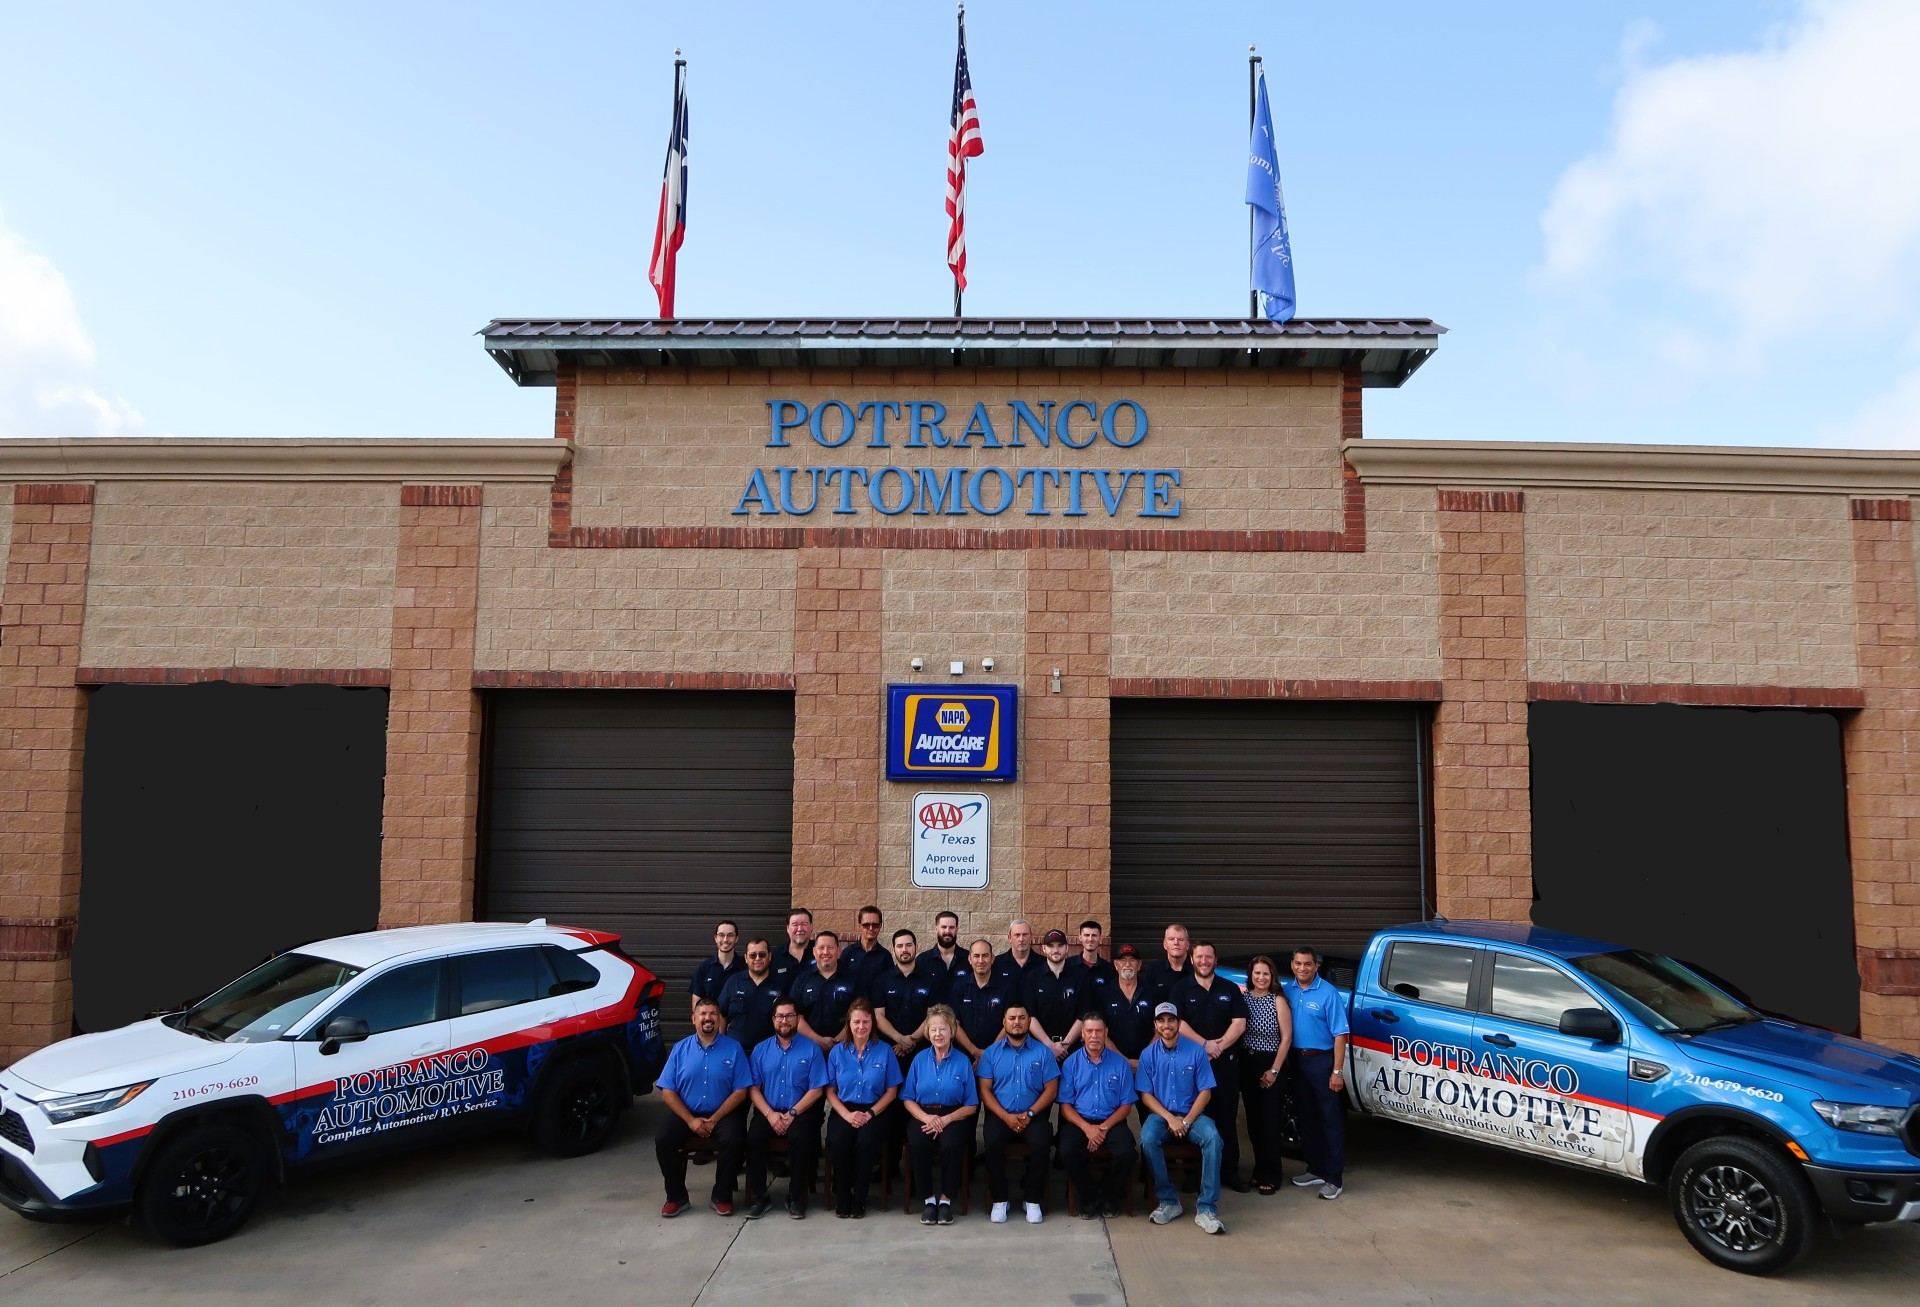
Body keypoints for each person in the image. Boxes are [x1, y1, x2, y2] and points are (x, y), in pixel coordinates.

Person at [654, 997, 753, 1218]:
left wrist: (715, 1119)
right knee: (663, 1140)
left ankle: (722, 1196)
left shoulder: (734, 1049)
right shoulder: (680, 1049)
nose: (708, 1018)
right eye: (703, 1014)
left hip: (723, 1113)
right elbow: (667, 1090)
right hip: (687, 1113)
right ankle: (676, 1197)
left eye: (712, 1014)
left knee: (735, 1140)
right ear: (694, 1019)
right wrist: (690, 1120)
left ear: (719, 1019)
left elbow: (741, 1091)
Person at [1137, 1001, 1226, 1235]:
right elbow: (1146, 1096)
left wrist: (1186, 1121)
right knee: (1147, 1139)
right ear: (1155, 1025)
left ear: (1178, 1023)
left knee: (1213, 1139)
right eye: (1162, 1020)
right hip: (1162, 1115)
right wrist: (1170, 1119)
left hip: (1193, 1114)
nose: (1167, 1025)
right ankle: (1168, 1201)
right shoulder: (1148, 1055)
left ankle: (1206, 1208)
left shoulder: (1196, 1051)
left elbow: (1205, 1092)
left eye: (1171, 1020)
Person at [1174, 942, 1250, 1192]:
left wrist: (1219, 1046)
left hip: (1225, 1064)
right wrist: (1204, 1045)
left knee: (1226, 1118)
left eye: (1209, 956)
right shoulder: (1181, 988)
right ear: (1192, 960)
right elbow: (1177, 1023)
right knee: (1194, 1118)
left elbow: (1239, 1023)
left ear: (1215, 960)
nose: (1204, 961)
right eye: (1199, 957)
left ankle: (1229, 1172)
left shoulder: (1229, 988)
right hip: (1192, 1065)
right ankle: (1192, 1176)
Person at [975, 1002, 1059, 1225]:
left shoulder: (1043, 1052)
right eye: (1012, 1018)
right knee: (991, 1143)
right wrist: (1005, 1116)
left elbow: (1052, 1088)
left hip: (1033, 1115)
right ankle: (1000, 1199)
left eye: (1022, 1018)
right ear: (1004, 1023)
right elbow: (984, 1089)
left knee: (1042, 1143)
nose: (1017, 1022)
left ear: (1029, 1022)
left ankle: (1031, 1199)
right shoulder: (991, 1054)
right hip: (1001, 1116)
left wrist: (1030, 1113)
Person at [744, 997, 828, 1219]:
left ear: (798, 1019)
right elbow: (753, 1087)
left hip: (799, 1112)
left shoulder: (812, 1050)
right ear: (773, 1019)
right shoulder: (760, 1050)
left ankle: (795, 1197)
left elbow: (817, 1089)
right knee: (753, 1139)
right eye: (780, 1016)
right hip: (768, 1111)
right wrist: (771, 1114)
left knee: (801, 1140)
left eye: (790, 1016)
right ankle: (760, 1197)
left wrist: (792, 1114)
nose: (785, 1020)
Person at [824, 998, 902, 1219]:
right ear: (849, 1023)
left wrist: (870, 1113)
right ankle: (843, 1196)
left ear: (872, 1023)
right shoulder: (837, 1053)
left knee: (866, 1142)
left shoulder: (885, 1051)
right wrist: (848, 1115)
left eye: (866, 1022)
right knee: (838, 1140)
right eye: (856, 1022)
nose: (861, 1027)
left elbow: (892, 1091)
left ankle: (859, 1197)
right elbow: (830, 1091)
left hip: (875, 1109)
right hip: (844, 1108)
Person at [1056, 1013, 1138, 1219]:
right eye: (1090, 1031)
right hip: (1080, 1122)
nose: (1094, 1035)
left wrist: (1102, 1129)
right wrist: (1088, 1129)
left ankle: (1110, 1196)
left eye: (1099, 1031)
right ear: (1082, 1034)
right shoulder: (1071, 1064)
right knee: (1066, 1150)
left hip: (1112, 1121)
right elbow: (1065, 1106)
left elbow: (1126, 1106)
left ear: (1106, 1033)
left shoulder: (1120, 1064)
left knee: (1127, 1152)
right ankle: (1090, 1196)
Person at [900, 1004, 977, 1226]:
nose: (937, 1034)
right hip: (923, 1114)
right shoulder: (919, 1060)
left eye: (942, 1029)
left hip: (953, 1115)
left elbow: (971, 1105)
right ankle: (928, 1201)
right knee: (917, 1142)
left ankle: (945, 1200)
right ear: (927, 1032)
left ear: (952, 1031)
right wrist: (926, 1118)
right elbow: (907, 1098)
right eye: (933, 1029)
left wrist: (946, 1119)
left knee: (952, 1145)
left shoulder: (963, 1061)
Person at [1283, 947, 1349, 1200]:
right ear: (1292, 965)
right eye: (1298, 963)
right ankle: (1315, 1168)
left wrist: (1337, 1071)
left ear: (1316, 966)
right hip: (1296, 1061)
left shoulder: (1328, 994)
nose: (1303, 968)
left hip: (1321, 1061)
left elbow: (1340, 1035)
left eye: (1308, 964)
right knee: (1306, 1116)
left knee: (1329, 1119)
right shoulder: (1287, 991)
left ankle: (1334, 1177)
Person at [1238, 955, 1295, 1194]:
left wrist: (1274, 1070)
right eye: (1257, 973)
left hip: (1271, 1063)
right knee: (1253, 1121)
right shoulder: (1243, 998)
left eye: (1266, 974)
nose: (1261, 978)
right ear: (1251, 975)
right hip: (1247, 1062)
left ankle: (1272, 1174)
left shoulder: (1278, 1000)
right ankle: (1259, 1169)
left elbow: (1287, 1038)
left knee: (1269, 1121)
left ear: (1272, 977)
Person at [872, 929, 935, 1060]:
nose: (904, 949)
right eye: (900, 946)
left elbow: (932, 1016)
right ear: (893, 950)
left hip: (923, 1052)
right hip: (891, 1050)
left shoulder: (930, 980)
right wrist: (900, 1039)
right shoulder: (882, 980)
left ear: (917, 947)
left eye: (909, 945)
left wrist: (911, 1040)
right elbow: (878, 1016)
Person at [1088, 944, 1155, 1066]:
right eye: (1123, 960)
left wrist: (1145, 1059)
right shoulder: (1103, 994)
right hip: (1112, 1063)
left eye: (1132, 960)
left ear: (1139, 965)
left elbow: (1159, 1030)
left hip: (1147, 1064)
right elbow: (1100, 1030)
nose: (1128, 964)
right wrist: (1123, 1060)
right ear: (1115, 965)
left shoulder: (1152, 992)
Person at [791, 931, 860, 1050]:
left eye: (830, 948)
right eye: (821, 948)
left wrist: (838, 1041)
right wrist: (818, 1040)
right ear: (814, 951)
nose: (825, 952)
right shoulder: (802, 980)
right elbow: (796, 1017)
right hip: (809, 1048)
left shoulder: (853, 979)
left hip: (846, 1048)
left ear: (838, 951)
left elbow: (860, 1015)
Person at [1023, 928, 1086, 1059]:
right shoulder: (1032, 977)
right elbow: (1030, 1015)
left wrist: (1065, 1046)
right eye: (1051, 946)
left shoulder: (1080, 977)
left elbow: (1083, 1015)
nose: (1056, 950)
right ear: (1044, 949)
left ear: (1067, 948)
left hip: (1072, 1051)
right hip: (1039, 1049)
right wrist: (1049, 1045)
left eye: (1060, 946)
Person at [717, 938, 785, 1051]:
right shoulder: (733, 982)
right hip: (736, 1052)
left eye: (762, 954)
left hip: (770, 1053)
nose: (757, 958)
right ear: (746, 958)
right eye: (753, 955)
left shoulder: (781, 985)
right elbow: (721, 1015)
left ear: (770, 956)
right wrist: (720, 1044)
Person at [949, 939, 1009, 1058]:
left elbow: (1009, 1022)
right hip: (964, 1056)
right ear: (970, 959)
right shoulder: (959, 987)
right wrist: (974, 1051)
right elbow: (954, 1023)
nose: (981, 961)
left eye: (985, 956)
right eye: (976, 956)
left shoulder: (1006, 988)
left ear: (992, 958)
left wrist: (989, 1054)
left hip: (999, 1056)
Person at [689, 920, 743, 1019]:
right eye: (721, 935)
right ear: (715, 938)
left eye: (730, 935)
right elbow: (696, 1002)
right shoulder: (704, 968)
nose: (725, 939)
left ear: (736, 938)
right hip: (711, 1027)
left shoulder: (745, 967)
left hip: (736, 1029)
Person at [922, 909, 970, 1000]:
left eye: (951, 927)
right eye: (944, 927)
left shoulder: (969, 959)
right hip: (932, 1014)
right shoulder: (922, 961)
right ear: (936, 929)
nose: (947, 931)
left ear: (957, 929)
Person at [1142, 923, 1192, 1007]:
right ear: (1165, 944)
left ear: (1187, 945)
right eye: (1171, 939)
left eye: (1180, 939)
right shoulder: (1153, 970)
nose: (1176, 943)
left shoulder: (1196, 970)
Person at [842, 904, 888, 992]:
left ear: (880, 926)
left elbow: (888, 985)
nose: (871, 928)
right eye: (866, 925)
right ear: (859, 926)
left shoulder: (885, 956)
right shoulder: (848, 953)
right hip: (852, 1005)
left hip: (876, 1005)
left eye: (875, 925)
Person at [771, 907, 815, 993]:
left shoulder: (822, 953)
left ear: (811, 926)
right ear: (787, 928)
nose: (799, 929)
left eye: (804, 924)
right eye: (795, 925)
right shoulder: (775, 956)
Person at [991, 918, 1043, 990]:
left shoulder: (1043, 963)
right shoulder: (997, 963)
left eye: (1025, 934)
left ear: (1031, 937)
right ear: (1009, 938)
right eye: (1017, 935)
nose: (1021, 939)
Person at [1065, 919, 1115, 991]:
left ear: (1100, 938)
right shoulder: (1068, 965)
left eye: (1094, 935)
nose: (1090, 939)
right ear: (1080, 937)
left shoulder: (1109, 969)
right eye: (1087, 935)